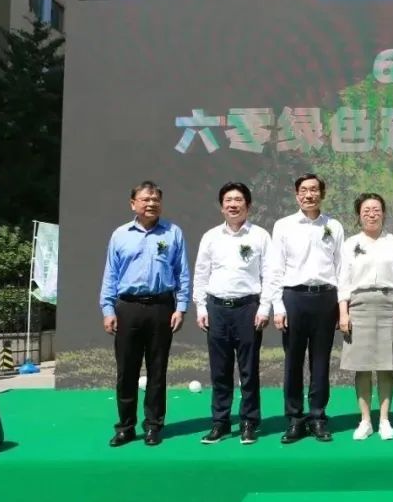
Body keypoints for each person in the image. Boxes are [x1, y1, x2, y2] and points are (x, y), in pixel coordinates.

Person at [100, 180, 191, 447]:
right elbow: (110, 275)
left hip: (162, 307)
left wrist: (181, 307)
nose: (151, 204)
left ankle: (153, 426)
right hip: (127, 307)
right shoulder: (120, 235)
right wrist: (108, 309)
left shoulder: (173, 233)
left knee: (157, 370)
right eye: (145, 199)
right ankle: (126, 427)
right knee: (126, 371)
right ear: (133, 204)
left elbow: (182, 273)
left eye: (155, 200)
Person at [266, 173, 344, 444]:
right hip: (294, 298)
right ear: (296, 195)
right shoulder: (284, 226)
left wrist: (341, 306)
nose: (309, 195)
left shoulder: (334, 226)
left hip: (326, 298)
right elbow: (275, 268)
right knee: (293, 361)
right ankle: (294, 419)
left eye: (314, 190)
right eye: (303, 190)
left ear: (322, 193)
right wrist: (278, 306)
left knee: (321, 361)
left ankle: (318, 417)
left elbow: (341, 267)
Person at [193, 182, 271, 446]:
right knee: (220, 370)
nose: (233, 205)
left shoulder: (260, 236)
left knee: (249, 370)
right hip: (216, 309)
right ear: (221, 206)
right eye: (228, 200)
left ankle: (249, 422)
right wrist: (201, 306)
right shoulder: (211, 237)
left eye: (238, 200)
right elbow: (201, 273)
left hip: (248, 309)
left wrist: (264, 307)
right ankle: (220, 422)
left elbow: (270, 274)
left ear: (248, 205)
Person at [337, 193, 393, 441]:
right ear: (359, 215)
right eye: (366, 210)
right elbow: (343, 280)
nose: (371, 214)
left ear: (384, 213)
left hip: (389, 306)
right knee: (362, 368)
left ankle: (385, 420)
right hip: (359, 307)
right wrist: (343, 312)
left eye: (376, 209)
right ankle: (365, 420)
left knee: (386, 367)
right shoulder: (350, 244)